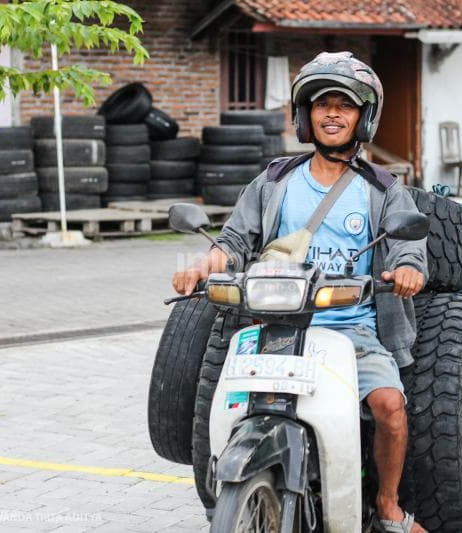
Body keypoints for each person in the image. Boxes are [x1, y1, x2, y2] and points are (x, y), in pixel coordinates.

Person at [172, 51, 427, 533]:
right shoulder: (274, 180)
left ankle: (389, 505)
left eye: (345, 105)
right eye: (321, 104)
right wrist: (204, 265)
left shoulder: (384, 189)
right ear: (304, 115)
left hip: (350, 329)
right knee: (223, 404)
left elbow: (407, 250)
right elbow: (232, 241)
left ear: (363, 117)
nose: (332, 113)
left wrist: (408, 271)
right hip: (275, 324)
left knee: (390, 406)